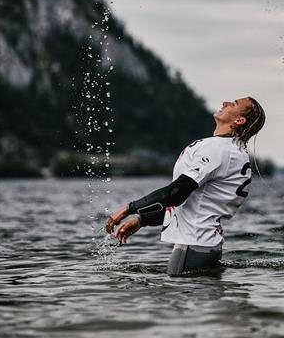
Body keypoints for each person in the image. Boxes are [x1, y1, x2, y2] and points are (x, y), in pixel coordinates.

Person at [105, 97, 265, 275]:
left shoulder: (218, 149)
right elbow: (194, 205)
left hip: (194, 246)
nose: (226, 102)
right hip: (203, 245)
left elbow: (176, 193)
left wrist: (130, 208)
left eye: (233, 104)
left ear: (239, 120)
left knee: (178, 297)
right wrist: (143, 220)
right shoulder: (233, 151)